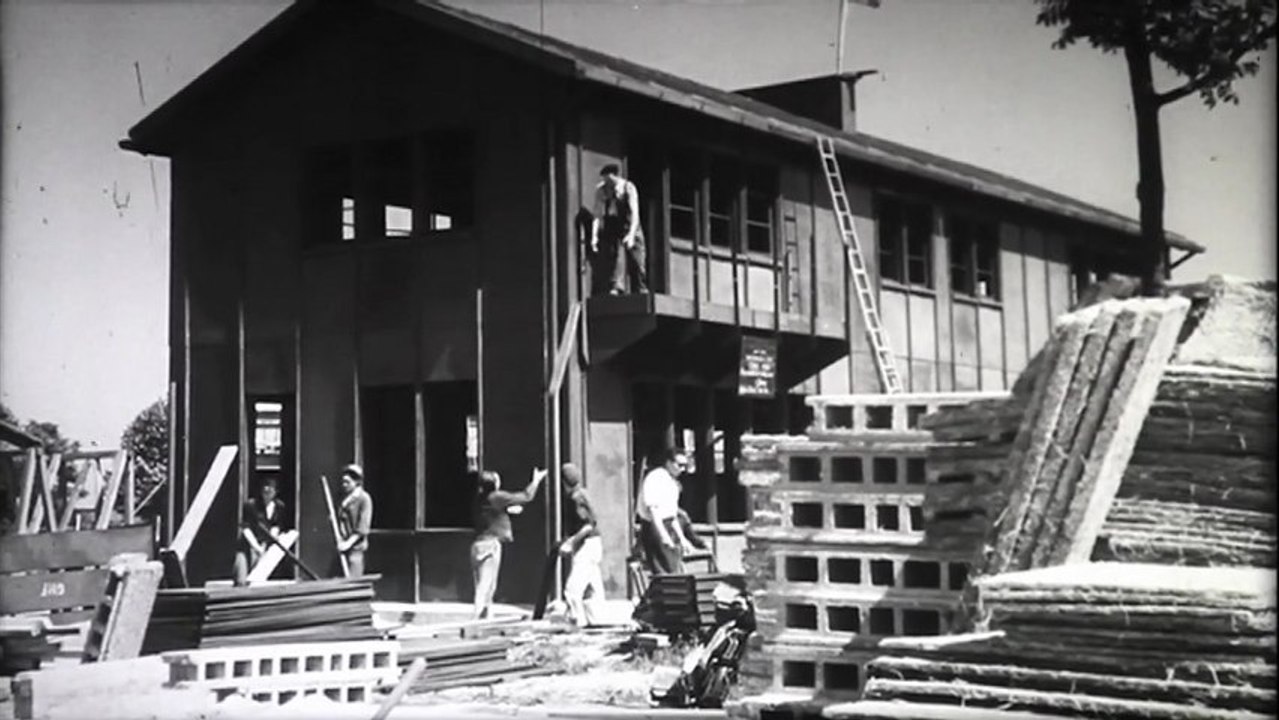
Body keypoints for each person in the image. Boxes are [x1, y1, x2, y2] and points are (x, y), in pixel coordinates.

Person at [472, 467, 547, 619]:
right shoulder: (497, 497)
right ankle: (475, 620)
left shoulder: (481, 498)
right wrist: (536, 480)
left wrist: (506, 510)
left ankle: (485, 619)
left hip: (477, 545)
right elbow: (526, 496)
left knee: (487, 585)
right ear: (494, 484)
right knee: (485, 586)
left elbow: (492, 513)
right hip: (490, 545)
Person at [590, 163, 648, 296]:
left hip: (631, 224)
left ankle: (640, 287)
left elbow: (634, 213)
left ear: (613, 176)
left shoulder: (628, 188)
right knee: (617, 254)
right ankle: (617, 286)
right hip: (615, 226)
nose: (605, 182)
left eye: (607, 178)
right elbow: (597, 214)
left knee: (638, 258)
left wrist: (632, 234)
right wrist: (594, 236)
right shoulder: (601, 190)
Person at [558, 463, 604, 625]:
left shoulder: (576, 498)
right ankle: (595, 621)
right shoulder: (583, 493)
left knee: (572, 589)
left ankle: (575, 621)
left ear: (563, 482)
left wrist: (570, 542)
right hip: (593, 544)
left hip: (587, 545)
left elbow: (588, 525)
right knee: (591, 588)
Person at [637, 448, 693, 575]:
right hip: (655, 527)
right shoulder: (656, 478)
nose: (682, 469)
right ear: (668, 463)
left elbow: (672, 515)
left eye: (685, 466)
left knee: (674, 568)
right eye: (680, 465)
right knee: (664, 571)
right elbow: (654, 511)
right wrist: (664, 536)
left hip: (668, 526)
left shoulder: (671, 481)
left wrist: (682, 538)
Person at [232, 476, 288, 586]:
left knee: (259, 578)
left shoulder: (279, 506)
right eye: (265, 489)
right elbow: (246, 528)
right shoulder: (251, 505)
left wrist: (269, 541)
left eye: (270, 490)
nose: (267, 492)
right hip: (248, 545)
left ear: (275, 492)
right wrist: (256, 547)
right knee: (241, 578)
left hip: (265, 545)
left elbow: (276, 525)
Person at [337, 463, 373, 577]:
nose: (344, 485)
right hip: (343, 548)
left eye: (347, 482)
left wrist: (348, 544)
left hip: (356, 550)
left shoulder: (364, 499)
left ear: (357, 482)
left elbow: (362, 528)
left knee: (353, 583)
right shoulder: (344, 500)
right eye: (343, 482)